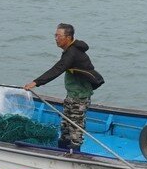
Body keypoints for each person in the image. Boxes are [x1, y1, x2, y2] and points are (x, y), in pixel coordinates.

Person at [23, 23, 103, 151]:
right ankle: (62, 148)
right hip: (72, 94)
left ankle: (75, 153)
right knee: (65, 126)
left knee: (75, 126)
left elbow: (57, 69)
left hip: (80, 96)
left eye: (58, 36)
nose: (56, 38)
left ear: (68, 37)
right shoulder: (70, 50)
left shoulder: (72, 53)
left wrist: (36, 82)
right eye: (55, 35)